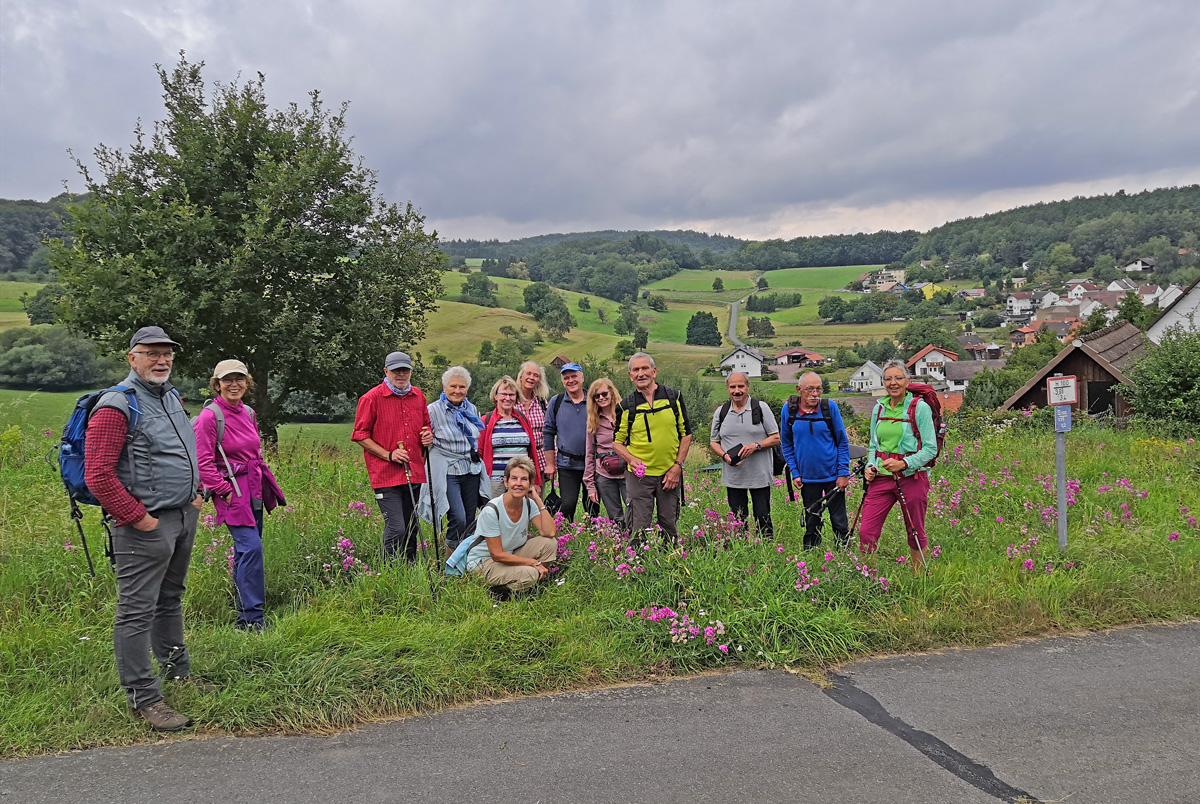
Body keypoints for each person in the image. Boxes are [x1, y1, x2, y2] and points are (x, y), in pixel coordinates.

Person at [83, 326, 204, 732]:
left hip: (182, 515)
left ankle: (178, 673)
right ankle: (144, 698)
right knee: (136, 611)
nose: (162, 360)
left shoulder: (169, 395)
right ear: (131, 357)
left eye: (167, 353)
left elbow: (184, 450)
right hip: (144, 525)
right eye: (151, 353)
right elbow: (98, 474)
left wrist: (196, 494)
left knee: (170, 598)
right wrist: (141, 519)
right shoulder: (118, 405)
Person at [193, 359, 286, 631]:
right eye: (227, 380)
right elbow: (203, 463)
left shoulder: (248, 412)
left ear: (247, 382)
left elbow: (252, 451)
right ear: (217, 384)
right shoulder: (210, 417)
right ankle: (251, 619)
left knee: (246, 551)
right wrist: (224, 492)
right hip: (232, 490)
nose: (234, 384)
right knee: (251, 548)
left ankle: (244, 609)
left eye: (239, 379)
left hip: (254, 486)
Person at [351, 352, 434, 562]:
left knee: (412, 527)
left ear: (411, 372)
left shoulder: (418, 396)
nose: (401, 374)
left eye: (405, 370)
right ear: (386, 371)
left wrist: (427, 437)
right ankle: (388, 570)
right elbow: (360, 435)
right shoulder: (371, 398)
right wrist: (389, 454)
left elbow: (426, 426)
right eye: (396, 370)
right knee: (396, 528)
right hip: (385, 476)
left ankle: (409, 570)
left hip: (414, 472)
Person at [860, 360, 938, 573]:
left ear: (908, 381)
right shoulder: (879, 408)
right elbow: (874, 444)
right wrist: (870, 465)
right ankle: (869, 579)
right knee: (866, 531)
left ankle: (918, 579)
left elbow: (931, 449)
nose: (893, 383)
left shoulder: (919, 408)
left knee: (914, 531)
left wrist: (904, 463)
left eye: (898, 378)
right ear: (883, 382)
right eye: (888, 379)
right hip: (881, 479)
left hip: (912, 478)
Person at [613, 352, 692, 543]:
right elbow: (617, 442)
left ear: (654, 372)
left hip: (669, 474)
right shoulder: (625, 406)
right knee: (638, 527)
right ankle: (637, 566)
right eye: (636, 370)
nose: (641, 373)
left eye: (645, 368)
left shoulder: (674, 397)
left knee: (669, 524)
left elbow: (686, 434)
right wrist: (631, 459)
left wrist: (677, 467)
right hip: (639, 477)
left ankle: (670, 564)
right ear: (630, 375)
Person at [461, 456, 558, 593]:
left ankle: (531, 583)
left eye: (524, 479)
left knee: (549, 543)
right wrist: (533, 563)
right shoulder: (492, 510)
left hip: (510, 553)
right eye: (514, 478)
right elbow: (497, 555)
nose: (518, 483)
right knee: (530, 573)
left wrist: (537, 499)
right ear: (506, 482)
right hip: (484, 562)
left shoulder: (529, 504)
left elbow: (549, 533)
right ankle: (499, 593)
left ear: (530, 484)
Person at [420, 366, 490, 552]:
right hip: (447, 470)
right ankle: (450, 562)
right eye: (453, 386)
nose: (457, 391)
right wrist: (425, 441)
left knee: (469, 519)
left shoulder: (471, 408)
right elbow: (423, 440)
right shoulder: (432, 411)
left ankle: (463, 560)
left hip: (470, 468)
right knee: (457, 517)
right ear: (444, 388)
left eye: (462, 387)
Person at [780, 371, 851, 550]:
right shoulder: (789, 410)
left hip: (833, 476)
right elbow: (786, 444)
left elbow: (842, 442)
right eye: (810, 389)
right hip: (807, 478)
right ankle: (811, 558)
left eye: (818, 389)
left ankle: (845, 557)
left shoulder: (830, 408)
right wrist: (795, 473)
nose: (815, 394)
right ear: (799, 389)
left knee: (839, 521)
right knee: (812, 521)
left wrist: (843, 473)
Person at [709, 372, 779, 539]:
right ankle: (740, 547)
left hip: (759, 475)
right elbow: (713, 442)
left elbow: (776, 438)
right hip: (734, 476)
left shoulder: (761, 408)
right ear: (727, 389)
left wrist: (756, 445)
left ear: (748, 387)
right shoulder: (722, 411)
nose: (737, 390)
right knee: (738, 518)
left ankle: (766, 551)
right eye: (732, 387)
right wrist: (724, 455)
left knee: (763, 516)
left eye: (741, 386)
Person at [480, 375, 543, 499]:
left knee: (523, 515)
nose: (507, 398)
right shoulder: (486, 421)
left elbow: (532, 453)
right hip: (495, 480)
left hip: (522, 479)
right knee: (495, 514)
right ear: (496, 396)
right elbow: (480, 453)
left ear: (516, 397)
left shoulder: (523, 420)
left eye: (511, 395)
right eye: (503, 394)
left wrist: (535, 481)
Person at [542, 362, 589, 520]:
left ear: (582, 377)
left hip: (592, 464)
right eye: (566, 378)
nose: (571, 380)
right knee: (568, 504)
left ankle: (595, 537)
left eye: (574, 376)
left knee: (592, 504)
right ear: (562, 381)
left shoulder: (594, 400)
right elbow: (548, 432)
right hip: (566, 464)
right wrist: (550, 464)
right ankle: (566, 536)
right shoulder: (557, 402)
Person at [583, 377, 627, 527]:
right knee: (615, 516)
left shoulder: (625, 414)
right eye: (597, 396)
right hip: (604, 474)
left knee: (635, 510)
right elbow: (589, 453)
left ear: (612, 393)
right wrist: (590, 485)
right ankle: (621, 543)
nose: (601, 398)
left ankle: (638, 542)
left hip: (628, 472)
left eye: (604, 394)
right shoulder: (593, 421)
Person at [514, 361, 550, 488]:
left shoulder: (542, 403)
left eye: (536, 375)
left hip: (539, 461)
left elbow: (548, 433)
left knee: (536, 502)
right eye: (528, 373)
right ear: (521, 376)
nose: (531, 378)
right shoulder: (511, 400)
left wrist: (552, 462)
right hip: (516, 459)